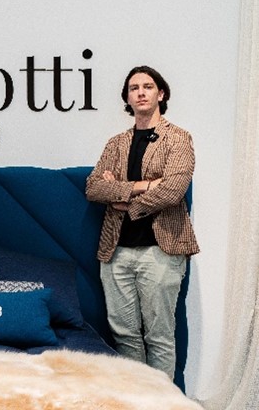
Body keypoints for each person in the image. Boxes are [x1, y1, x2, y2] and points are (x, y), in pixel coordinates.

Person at [85, 66, 199, 380]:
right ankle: (135, 399)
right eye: (134, 88)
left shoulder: (178, 138)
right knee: (124, 335)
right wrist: (143, 186)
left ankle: (161, 401)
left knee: (159, 336)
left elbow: (173, 190)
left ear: (161, 93)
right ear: (127, 98)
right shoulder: (116, 143)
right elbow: (94, 187)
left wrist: (125, 202)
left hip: (161, 250)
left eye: (148, 86)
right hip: (116, 251)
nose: (141, 93)